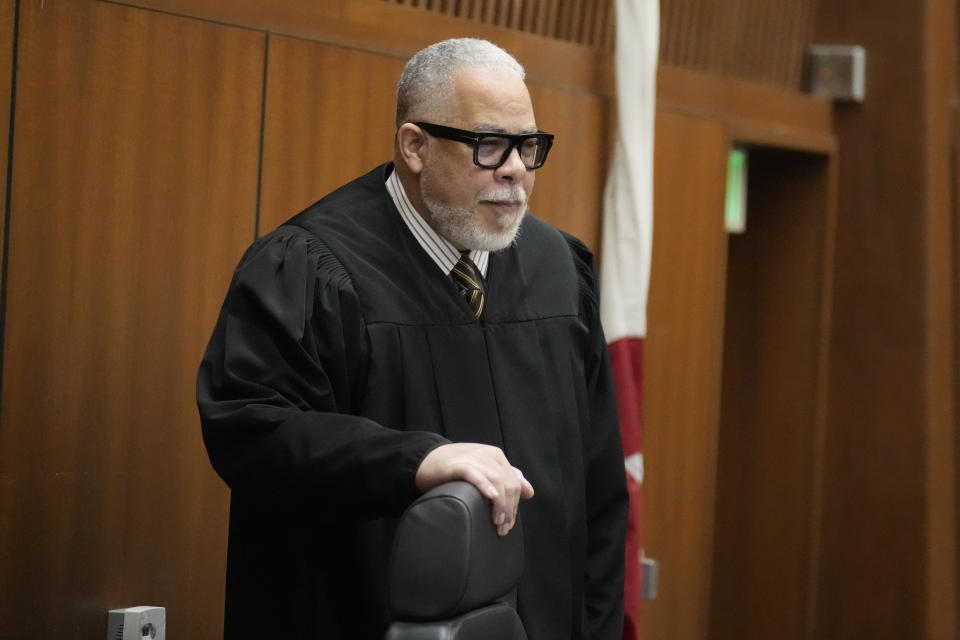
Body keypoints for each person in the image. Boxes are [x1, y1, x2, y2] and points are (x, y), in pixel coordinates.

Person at [197, 37, 628, 639]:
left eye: (529, 146)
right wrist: (414, 460)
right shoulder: (313, 267)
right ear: (415, 146)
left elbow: (600, 493)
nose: (516, 170)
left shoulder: (559, 270)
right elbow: (250, 429)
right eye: (488, 145)